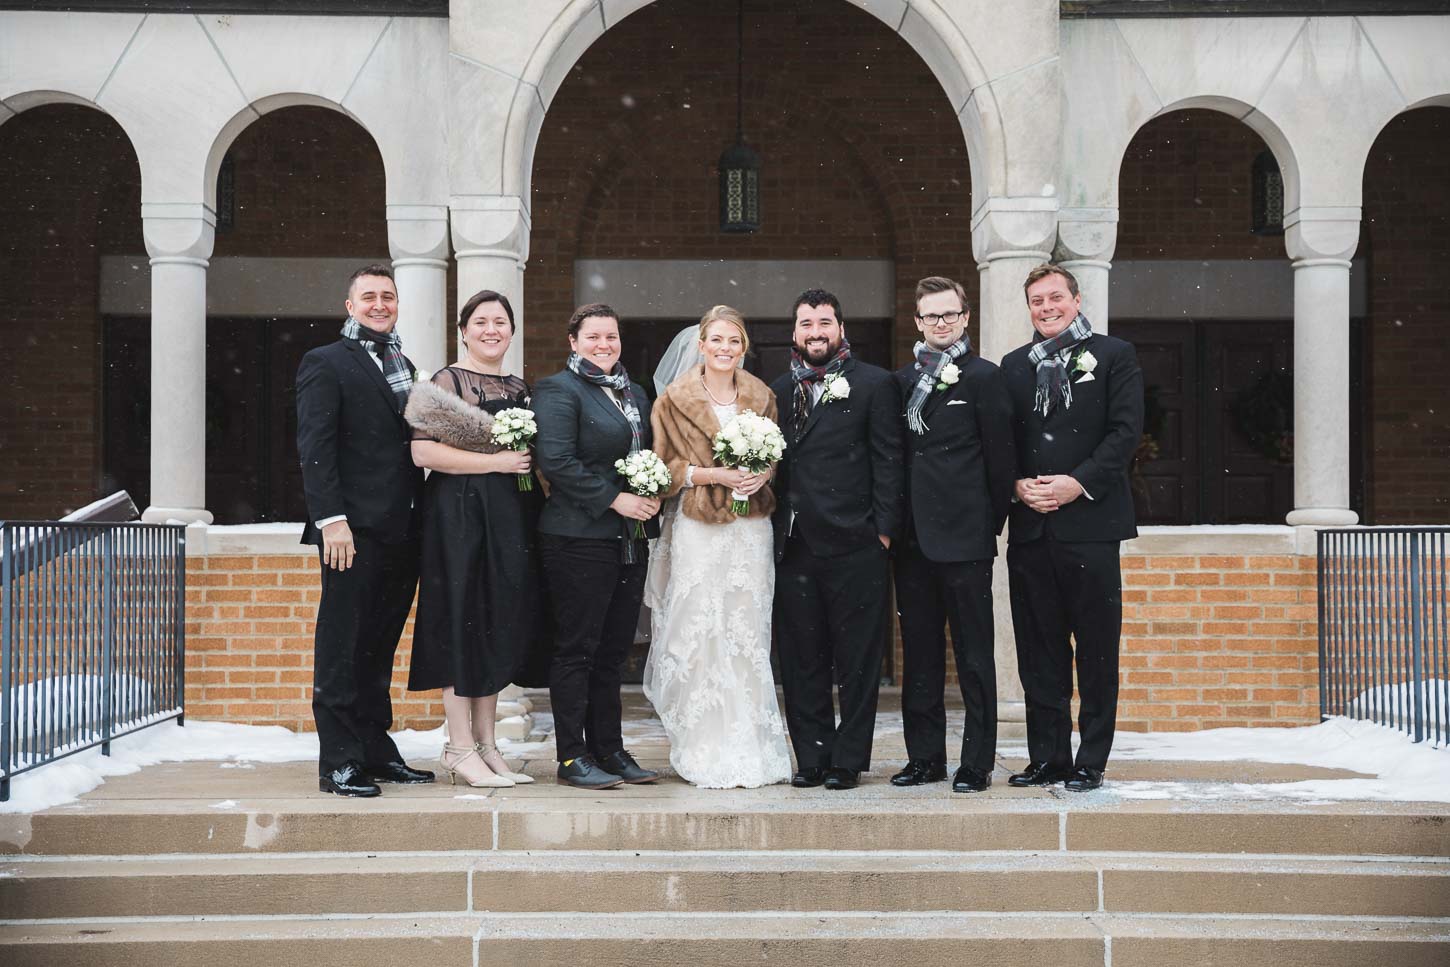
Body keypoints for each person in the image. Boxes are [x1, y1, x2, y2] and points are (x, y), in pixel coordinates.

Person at [1001, 263, 1143, 792]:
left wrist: (1076, 483)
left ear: (1076, 300)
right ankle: (1049, 757)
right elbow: (1002, 441)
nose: (1047, 308)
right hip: (1031, 529)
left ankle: (1091, 761)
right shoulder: (1014, 366)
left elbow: (1125, 432)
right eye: (1037, 301)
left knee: (1097, 650)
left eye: (1055, 297)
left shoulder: (1113, 355)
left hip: (1091, 527)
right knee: (1040, 653)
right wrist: (1017, 485)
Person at [296, 264, 432, 797]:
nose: (380, 304)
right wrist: (331, 521)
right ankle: (339, 761)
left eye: (388, 296)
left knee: (379, 645)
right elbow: (316, 447)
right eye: (369, 297)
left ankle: (376, 749)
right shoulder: (326, 361)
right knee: (342, 643)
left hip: (402, 529)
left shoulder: (404, 365)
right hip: (351, 532)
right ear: (350, 306)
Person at [644, 305, 792, 789]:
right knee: (701, 628)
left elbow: (776, 457)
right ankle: (703, 742)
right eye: (717, 340)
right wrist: (714, 475)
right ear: (701, 344)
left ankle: (751, 742)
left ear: (743, 347)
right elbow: (664, 470)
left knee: (747, 629)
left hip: (751, 528)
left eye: (734, 340)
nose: (725, 348)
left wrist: (760, 475)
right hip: (700, 528)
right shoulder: (673, 399)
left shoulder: (762, 396)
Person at [405, 290, 544, 788]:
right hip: (458, 515)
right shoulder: (446, 382)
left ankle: (487, 745)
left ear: (512, 331)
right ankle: (458, 746)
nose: (491, 330)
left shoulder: (519, 387)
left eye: (500, 322)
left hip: (508, 515)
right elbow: (423, 455)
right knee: (461, 620)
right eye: (480, 322)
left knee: (495, 621)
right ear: (463, 331)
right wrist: (497, 463)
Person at [771, 288, 904, 791]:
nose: (816, 332)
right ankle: (812, 757)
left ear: (841, 328)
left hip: (857, 543)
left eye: (824, 322)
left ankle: (847, 760)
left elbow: (889, 460)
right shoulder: (777, 390)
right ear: (794, 332)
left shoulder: (874, 383)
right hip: (794, 544)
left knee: (857, 659)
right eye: (806, 324)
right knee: (801, 659)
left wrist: (883, 532)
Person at [891, 277, 1015, 794]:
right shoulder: (900, 382)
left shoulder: (986, 378)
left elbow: (1001, 463)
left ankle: (976, 763)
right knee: (919, 655)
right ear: (918, 322)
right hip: (912, 542)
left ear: (965, 318)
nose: (940, 323)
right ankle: (925, 759)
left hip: (965, 541)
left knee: (974, 655)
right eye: (931, 315)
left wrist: (985, 527)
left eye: (949, 314)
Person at [534, 303, 662, 790]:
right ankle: (572, 756)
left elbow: (642, 453)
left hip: (628, 539)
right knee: (577, 649)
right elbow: (557, 461)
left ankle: (610, 749)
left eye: (611, 336)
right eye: (593, 337)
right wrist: (616, 499)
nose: (603, 345)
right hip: (577, 537)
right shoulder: (558, 389)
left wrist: (650, 490)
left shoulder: (634, 392)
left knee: (613, 651)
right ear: (573, 341)